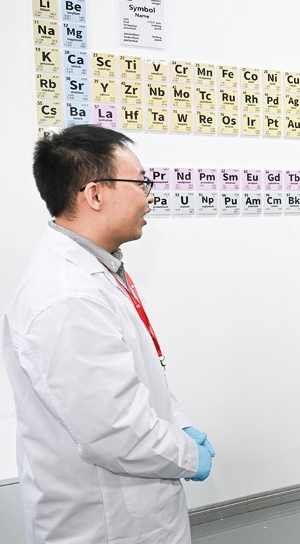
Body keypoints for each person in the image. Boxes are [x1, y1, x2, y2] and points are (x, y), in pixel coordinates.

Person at [2, 124, 214, 544]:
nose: (149, 196)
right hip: (103, 523)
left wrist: (179, 424)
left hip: (133, 507)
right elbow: (116, 432)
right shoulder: (67, 298)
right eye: (141, 183)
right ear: (95, 194)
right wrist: (190, 455)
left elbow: (138, 375)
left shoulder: (98, 267)